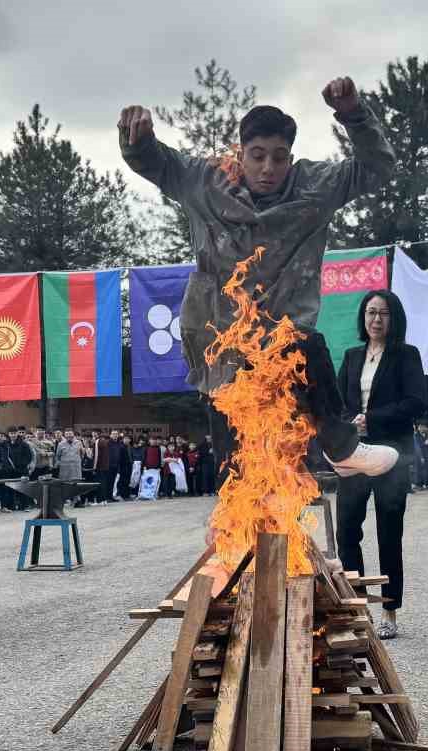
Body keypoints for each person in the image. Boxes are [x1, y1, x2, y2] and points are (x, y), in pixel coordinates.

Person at [119, 77, 399, 479]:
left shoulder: (313, 187)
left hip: (283, 331)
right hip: (221, 335)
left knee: (308, 346)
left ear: (291, 158)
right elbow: (156, 162)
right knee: (237, 466)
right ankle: (235, 494)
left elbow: (377, 167)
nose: (269, 169)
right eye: (258, 156)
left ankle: (341, 446)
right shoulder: (206, 181)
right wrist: (137, 137)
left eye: (279, 158)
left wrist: (354, 114)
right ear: (241, 154)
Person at [335, 289, 426, 640]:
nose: (376, 319)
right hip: (355, 454)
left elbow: (416, 402)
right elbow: (339, 402)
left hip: (392, 455)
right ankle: (357, 607)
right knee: (347, 532)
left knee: (389, 533)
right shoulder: (352, 356)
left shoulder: (406, 355)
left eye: (383, 313)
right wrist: (350, 422)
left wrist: (371, 419)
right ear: (363, 317)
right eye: (371, 312)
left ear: (394, 318)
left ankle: (389, 610)